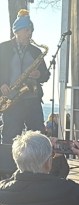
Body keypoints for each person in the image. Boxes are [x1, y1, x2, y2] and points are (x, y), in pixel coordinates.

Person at [0, 10, 50, 145]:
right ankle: (8, 159)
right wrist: (2, 84)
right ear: (17, 31)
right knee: (10, 136)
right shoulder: (3, 48)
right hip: (11, 100)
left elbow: (46, 75)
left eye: (31, 30)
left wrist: (39, 74)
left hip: (32, 100)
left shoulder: (36, 51)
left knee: (38, 136)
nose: (30, 33)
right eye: (27, 30)